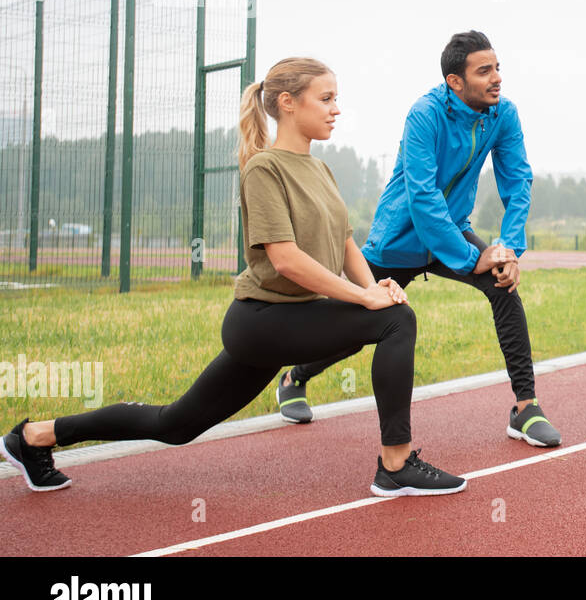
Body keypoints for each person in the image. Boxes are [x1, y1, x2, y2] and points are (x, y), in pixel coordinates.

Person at [2, 57, 466, 497]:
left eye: (335, 99)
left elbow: (346, 244)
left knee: (175, 425)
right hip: (262, 321)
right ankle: (395, 466)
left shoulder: (320, 168)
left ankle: (36, 436)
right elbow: (285, 260)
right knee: (394, 322)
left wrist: (373, 287)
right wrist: (365, 301)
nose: (336, 109)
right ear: (288, 102)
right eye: (325, 98)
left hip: (293, 320)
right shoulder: (263, 167)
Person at [276, 31, 562, 447]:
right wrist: (469, 257)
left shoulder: (503, 114)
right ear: (455, 82)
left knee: (504, 286)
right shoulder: (424, 115)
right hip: (399, 238)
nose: (497, 78)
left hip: (454, 231)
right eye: (484, 71)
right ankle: (294, 377)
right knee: (355, 328)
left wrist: (507, 249)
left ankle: (525, 406)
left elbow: (518, 181)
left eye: (498, 68)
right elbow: (423, 196)